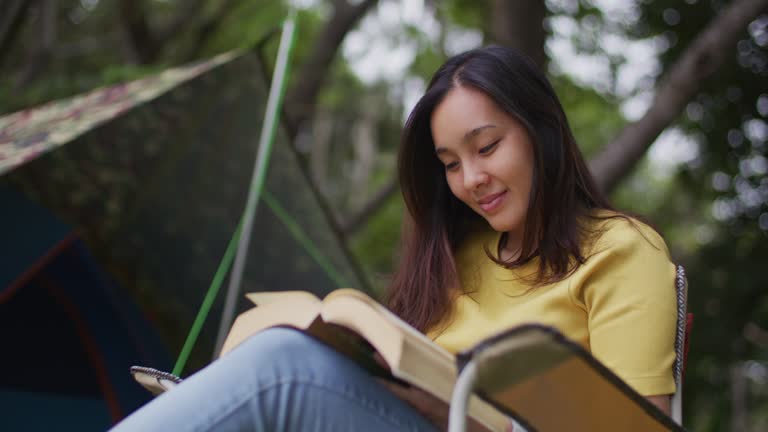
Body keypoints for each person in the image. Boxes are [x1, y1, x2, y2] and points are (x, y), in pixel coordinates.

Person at [110, 45, 677, 432]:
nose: (471, 180)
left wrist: (482, 420)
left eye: (486, 147)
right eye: (450, 164)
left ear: (543, 132)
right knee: (286, 354)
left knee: (280, 365)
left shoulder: (621, 250)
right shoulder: (456, 258)